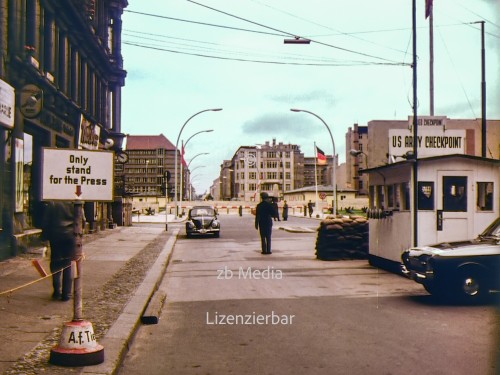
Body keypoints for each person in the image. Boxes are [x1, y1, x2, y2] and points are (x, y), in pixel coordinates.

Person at [42, 201, 77, 301]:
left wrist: (45, 238)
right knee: (68, 264)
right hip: (70, 236)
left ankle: (57, 291)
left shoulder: (53, 203)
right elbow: (81, 220)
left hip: (55, 236)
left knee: (56, 263)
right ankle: (67, 293)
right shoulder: (73, 202)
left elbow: (46, 221)